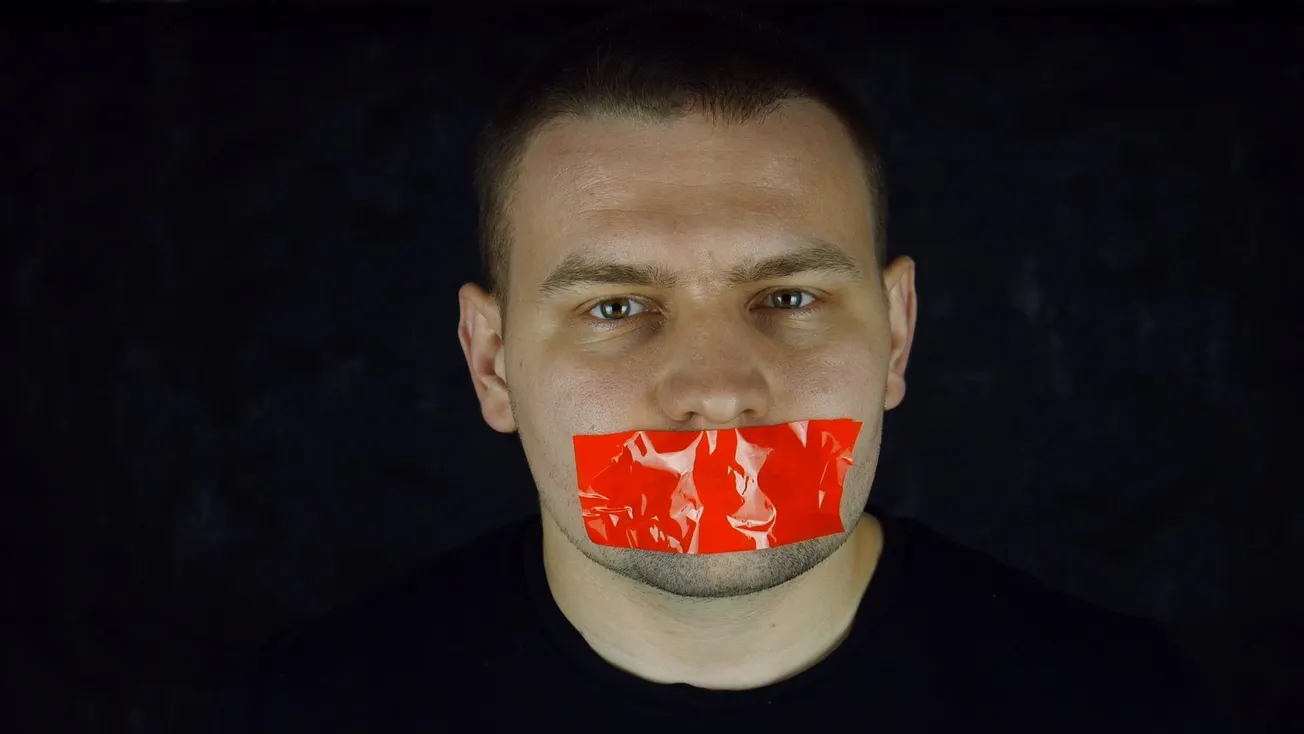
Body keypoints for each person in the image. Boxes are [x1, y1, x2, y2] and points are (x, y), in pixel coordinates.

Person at [212, 6, 1242, 732]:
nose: (716, 388)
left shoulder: (1115, 701)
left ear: (894, 332)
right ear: (490, 364)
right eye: (616, 307)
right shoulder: (318, 705)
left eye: (787, 297)